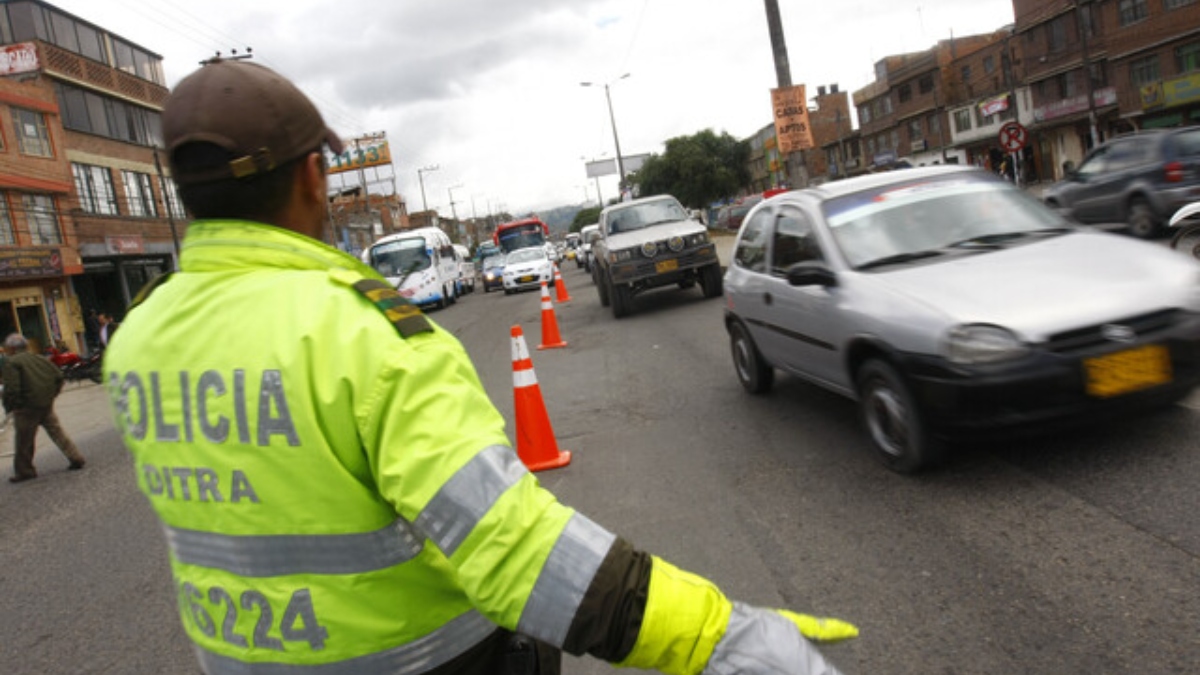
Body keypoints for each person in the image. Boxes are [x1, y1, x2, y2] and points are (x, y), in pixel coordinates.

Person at [102, 59, 857, 675]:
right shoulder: (359, 332)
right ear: (311, 177)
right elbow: (515, 551)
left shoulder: (138, 338)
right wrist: (715, 634)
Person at [3, 333, 85, 483]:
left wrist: (12, 405)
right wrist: (52, 395)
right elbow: (59, 376)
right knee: (57, 432)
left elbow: (12, 389)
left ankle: (25, 471)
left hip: (26, 408)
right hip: (45, 404)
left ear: (12, 348)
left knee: (24, 440)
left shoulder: (12, 363)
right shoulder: (39, 358)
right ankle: (76, 457)